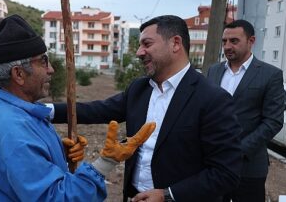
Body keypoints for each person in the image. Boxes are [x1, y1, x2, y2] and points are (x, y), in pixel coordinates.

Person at [50, 15, 243, 202]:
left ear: (175, 43)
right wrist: (43, 110)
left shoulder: (212, 99)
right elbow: (97, 110)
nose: (139, 52)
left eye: (147, 44)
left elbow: (225, 173)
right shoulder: (139, 89)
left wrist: (167, 195)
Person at [0, 14, 156, 202]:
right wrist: (106, 162)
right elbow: (60, 198)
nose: (51, 69)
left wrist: (55, 155)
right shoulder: (13, 132)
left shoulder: (18, 115)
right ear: (19, 74)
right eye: (43, 61)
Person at [207, 19, 284, 202]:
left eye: (234, 41)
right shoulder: (214, 71)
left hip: (249, 167)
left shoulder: (270, 74)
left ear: (251, 41)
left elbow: (273, 121)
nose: (227, 46)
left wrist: (238, 150)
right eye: (224, 41)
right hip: (213, 164)